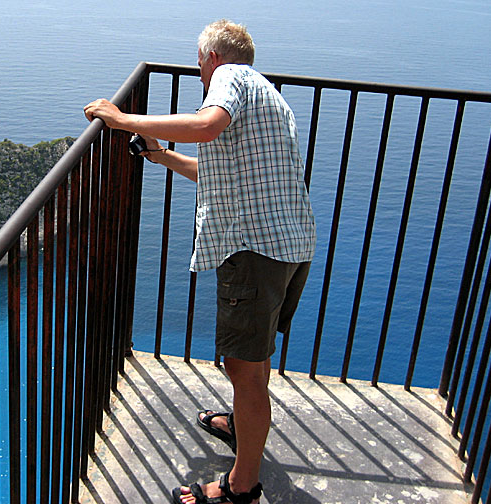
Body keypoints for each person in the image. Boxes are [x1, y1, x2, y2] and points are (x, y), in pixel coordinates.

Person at [84, 19, 315, 504]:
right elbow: (218, 172)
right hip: (289, 245)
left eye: (197, 62)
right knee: (253, 362)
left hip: (256, 251)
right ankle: (242, 424)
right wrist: (162, 155)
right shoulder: (269, 97)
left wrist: (124, 119)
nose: (198, 71)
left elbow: (206, 124)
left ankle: (241, 487)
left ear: (213, 57)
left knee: (244, 368)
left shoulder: (230, 78)